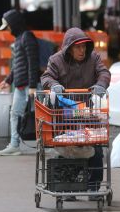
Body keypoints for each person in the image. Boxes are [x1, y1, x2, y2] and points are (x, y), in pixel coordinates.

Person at [41, 27, 111, 201]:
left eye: (84, 46)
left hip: (89, 113)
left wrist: (101, 85)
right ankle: (67, 188)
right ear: (68, 48)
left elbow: (104, 72)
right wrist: (54, 85)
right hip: (65, 116)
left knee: (96, 148)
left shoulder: (93, 58)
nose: (82, 50)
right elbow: (46, 77)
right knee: (68, 150)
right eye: (77, 47)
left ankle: (93, 189)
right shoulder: (56, 60)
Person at [0, 9, 39, 156]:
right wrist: (8, 80)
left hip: (29, 85)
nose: (7, 30)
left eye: (8, 26)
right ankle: (14, 144)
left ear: (13, 24)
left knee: (40, 115)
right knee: (16, 113)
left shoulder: (26, 37)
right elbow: (18, 64)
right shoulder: (20, 38)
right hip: (22, 85)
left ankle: (46, 144)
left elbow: (33, 62)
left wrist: (33, 85)